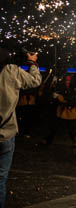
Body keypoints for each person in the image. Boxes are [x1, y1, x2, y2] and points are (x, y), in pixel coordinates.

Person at [0, 48, 41, 208]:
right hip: (6, 132)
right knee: (1, 178)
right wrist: (32, 62)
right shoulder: (11, 71)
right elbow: (35, 81)